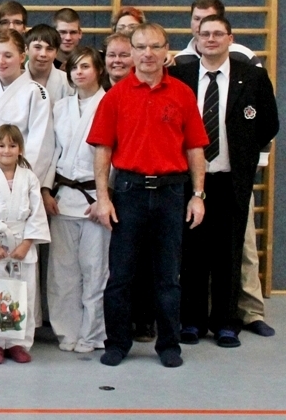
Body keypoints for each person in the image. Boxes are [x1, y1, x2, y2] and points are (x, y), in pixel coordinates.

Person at [87, 22, 209, 368]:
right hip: (129, 192)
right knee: (121, 275)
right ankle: (117, 343)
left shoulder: (182, 94)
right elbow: (103, 151)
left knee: (168, 277)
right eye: (140, 47)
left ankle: (169, 344)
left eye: (155, 46)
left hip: (172, 192)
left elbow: (195, 148)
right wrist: (103, 197)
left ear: (166, 50)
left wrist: (198, 194)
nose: (148, 54)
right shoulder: (116, 96)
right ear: (132, 52)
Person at [168, 15, 279, 348]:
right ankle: (191, 320)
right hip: (190, 180)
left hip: (231, 178)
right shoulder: (181, 76)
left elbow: (269, 124)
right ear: (197, 39)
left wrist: (244, 153)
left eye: (218, 34)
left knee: (229, 253)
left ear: (230, 39)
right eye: (205, 34)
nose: (211, 39)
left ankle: (226, 323)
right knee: (192, 252)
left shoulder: (252, 77)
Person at [42, 50, 109, 354]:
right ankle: (66, 331)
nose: (78, 72)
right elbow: (50, 151)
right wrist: (46, 190)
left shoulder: (110, 103)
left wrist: (106, 196)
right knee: (62, 272)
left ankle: (93, 334)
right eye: (74, 68)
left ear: (99, 70)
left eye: (85, 66)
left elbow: (115, 153)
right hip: (63, 196)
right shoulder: (60, 107)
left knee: (95, 270)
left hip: (96, 198)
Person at [0, 125, 50, 364]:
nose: (7, 150)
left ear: (20, 150)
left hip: (21, 243)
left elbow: (36, 214)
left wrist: (27, 244)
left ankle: (18, 343)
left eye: (12, 145)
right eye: (1, 145)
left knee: (23, 294)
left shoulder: (29, 178)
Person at [0, 30, 54, 184]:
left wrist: (21, 181)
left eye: (8, 56)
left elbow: (40, 145)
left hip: (19, 175)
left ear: (22, 57)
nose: (0, 61)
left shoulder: (35, 92)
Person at [25, 25, 74, 102]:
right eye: (38, 47)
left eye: (50, 49)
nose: (43, 54)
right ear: (26, 49)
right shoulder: (15, 79)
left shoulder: (67, 82)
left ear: (56, 53)